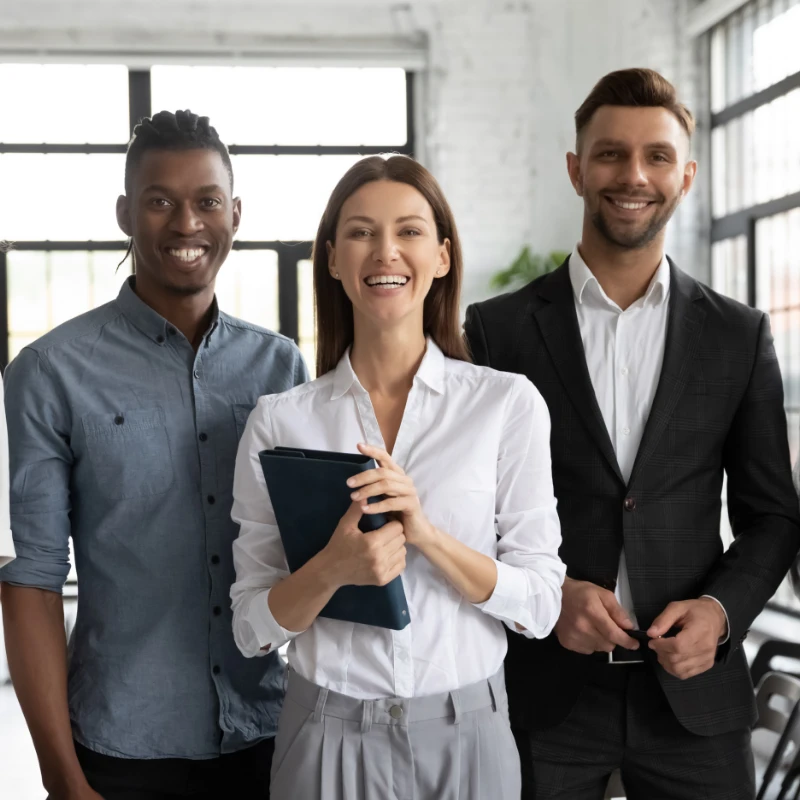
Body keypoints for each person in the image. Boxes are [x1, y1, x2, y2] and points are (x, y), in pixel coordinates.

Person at [464, 68, 800, 799]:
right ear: (577, 169)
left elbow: (774, 516)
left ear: (685, 176)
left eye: (656, 156)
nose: (633, 175)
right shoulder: (498, 330)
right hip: (544, 696)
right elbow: (463, 511)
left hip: (694, 698)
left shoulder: (738, 336)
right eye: (611, 154)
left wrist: (721, 612)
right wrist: (547, 600)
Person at [230, 154, 565, 800]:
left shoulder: (506, 405)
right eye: (360, 232)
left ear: (442, 256)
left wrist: (428, 536)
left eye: (409, 231)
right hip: (323, 736)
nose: (385, 251)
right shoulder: (280, 423)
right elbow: (251, 626)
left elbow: (542, 606)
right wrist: (332, 568)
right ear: (332, 259)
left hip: (468, 734)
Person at [0, 110, 307, 800]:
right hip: (120, 748)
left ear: (236, 213)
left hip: (268, 735)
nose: (186, 223)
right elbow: (31, 584)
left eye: (206, 201)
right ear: (124, 213)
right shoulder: (49, 372)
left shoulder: (280, 365)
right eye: (160, 200)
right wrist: (61, 779)